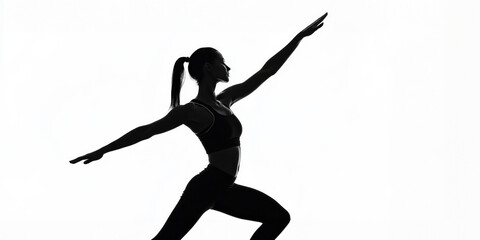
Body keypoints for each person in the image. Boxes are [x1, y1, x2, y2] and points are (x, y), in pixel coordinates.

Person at [70, 12, 328, 240]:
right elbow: (146, 131)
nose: (228, 67)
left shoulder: (226, 100)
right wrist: (103, 149)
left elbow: (267, 71)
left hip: (225, 188)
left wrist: (299, 37)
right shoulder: (192, 111)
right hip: (206, 186)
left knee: (278, 217)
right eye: (222, 62)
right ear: (208, 67)